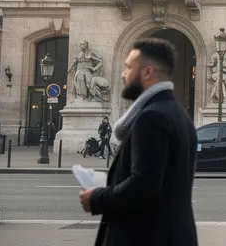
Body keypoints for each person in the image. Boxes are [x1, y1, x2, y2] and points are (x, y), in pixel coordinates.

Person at [79, 38, 197, 246]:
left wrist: (97, 198)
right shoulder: (179, 115)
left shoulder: (151, 118)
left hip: (147, 236)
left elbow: (144, 186)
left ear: (147, 72)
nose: (123, 75)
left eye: (128, 67)